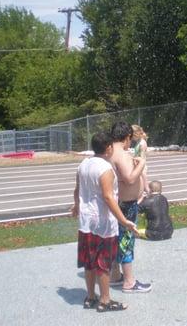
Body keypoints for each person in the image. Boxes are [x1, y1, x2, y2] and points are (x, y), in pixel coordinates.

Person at [71, 132, 138, 312]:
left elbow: (77, 190)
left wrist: (77, 206)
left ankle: (90, 297)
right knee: (103, 263)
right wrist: (124, 221)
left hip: (86, 222)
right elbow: (109, 198)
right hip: (103, 223)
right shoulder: (105, 169)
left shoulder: (83, 165)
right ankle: (105, 301)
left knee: (89, 261)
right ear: (108, 148)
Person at [109, 121, 152, 293]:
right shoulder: (120, 153)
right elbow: (129, 178)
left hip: (120, 203)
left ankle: (114, 275)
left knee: (116, 239)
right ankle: (129, 282)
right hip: (126, 205)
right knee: (126, 241)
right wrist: (141, 164)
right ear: (127, 137)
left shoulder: (110, 151)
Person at [131, 124, 149, 193]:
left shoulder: (142, 143)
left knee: (144, 184)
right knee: (140, 183)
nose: (131, 138)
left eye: (132, 136)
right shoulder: (138, 142)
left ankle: (148, 192)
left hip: (141, 166)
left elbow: (142, 157)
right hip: (138, 165)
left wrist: (135, 160)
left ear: (136, 134)